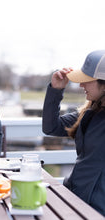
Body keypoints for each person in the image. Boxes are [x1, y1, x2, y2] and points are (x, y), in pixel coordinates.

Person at [42, 50, 105, 216]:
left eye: (87, 80)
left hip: (96, 209)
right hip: (73, 198)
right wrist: (56, 90)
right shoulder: (89, 111)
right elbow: (51, 127)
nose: (81, 85)